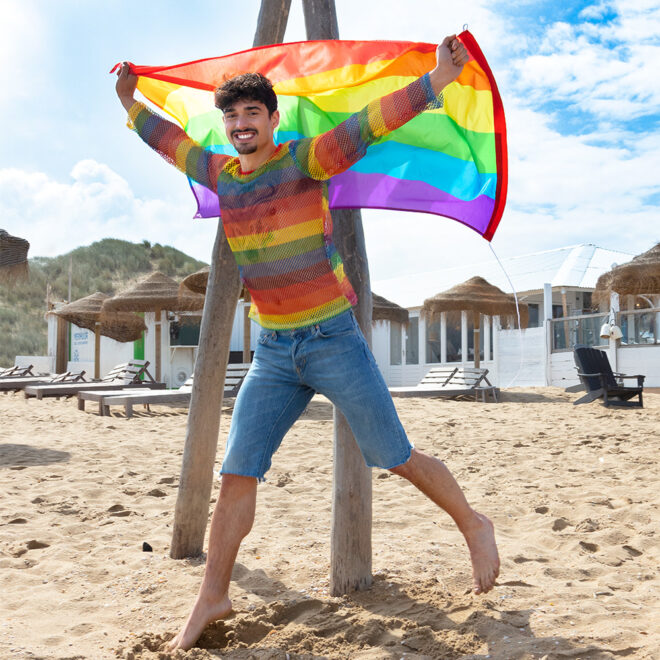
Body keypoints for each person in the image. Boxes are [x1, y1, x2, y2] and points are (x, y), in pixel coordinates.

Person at [115, 35, 500, 651]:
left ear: (272, 120)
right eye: (232, 117)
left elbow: (367, 125)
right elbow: (170, 144)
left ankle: (472, 523)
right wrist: (131, 105)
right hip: (273, 352)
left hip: (332, 340)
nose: (242, 125)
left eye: (252, 114)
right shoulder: (220, 175)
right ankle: (213, 592)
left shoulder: (306, 161)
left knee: (394, 455)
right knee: (237, 470)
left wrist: (435, 82)